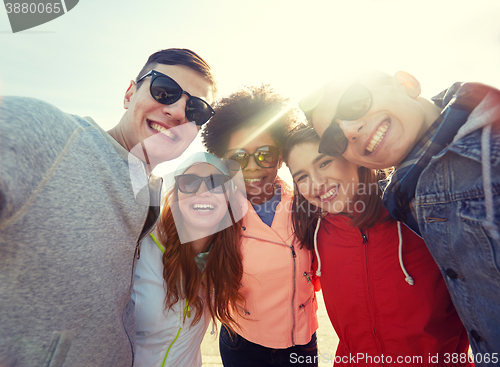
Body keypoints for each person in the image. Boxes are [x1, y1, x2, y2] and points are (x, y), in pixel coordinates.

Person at [0, 48, 216, 367]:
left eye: (196, 109)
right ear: (129, 93)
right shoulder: (47, 135)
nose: (178, 112)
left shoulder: (152, 198)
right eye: (164, 91)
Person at [305, 71, 500, 363]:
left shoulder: (489, 147)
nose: (348, 131)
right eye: (334, 138)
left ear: (407, 83)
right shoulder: (403, 197)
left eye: (354, 103)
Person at [283, 126, 472, 366]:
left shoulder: (420, 217)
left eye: (324, 163)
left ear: (355, 158)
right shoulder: (314, 235)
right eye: (302, 176)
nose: (316, 183)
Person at [201, 85, 319, 367]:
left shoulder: (310, 204)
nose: (252, 166)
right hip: (243, 343)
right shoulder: (212, 214)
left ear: (280, 158)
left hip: (301, 344)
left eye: (265, 154)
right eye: (238, 157)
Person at [132, 152, 246, 367]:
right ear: (175, 194)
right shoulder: (142, 242)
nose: (203, 192)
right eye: (189, 182)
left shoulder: (227, 258)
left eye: (216, 183)